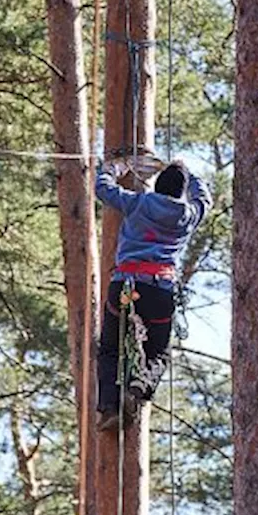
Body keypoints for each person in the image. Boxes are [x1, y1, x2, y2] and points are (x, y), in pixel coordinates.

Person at [94, 157, 210, 430]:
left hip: (125, 285)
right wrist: (188, 172)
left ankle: (110, 408)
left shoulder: (139, 202)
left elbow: (103, 188)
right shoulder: (187, 215)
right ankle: (138, 387)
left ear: (157, 186)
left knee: (111, 348)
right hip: (160, 290)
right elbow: (204, 198)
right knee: (157, 351)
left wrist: (114, 169)